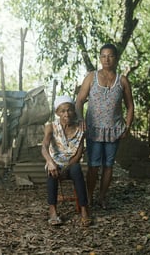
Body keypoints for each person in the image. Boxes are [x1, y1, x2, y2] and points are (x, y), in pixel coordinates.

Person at [75, 43, 134, 209]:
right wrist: (80, 120)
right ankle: (89, 197)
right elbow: (79, 101)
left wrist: (127, 127)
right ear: (100, 58)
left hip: (113, 130)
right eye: (103, 56)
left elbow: (130, 106)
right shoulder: (91, 77)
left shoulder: (122, 80)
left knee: (108, 165)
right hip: (93, 130)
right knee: (93, 166)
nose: (106, 59)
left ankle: (102, 197)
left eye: (110, 56)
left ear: (116, 58)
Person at [41, 95, 91, 226]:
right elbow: (44, 147)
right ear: (57, 113)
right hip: (54, 165)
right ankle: (53, 211)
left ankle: (84, 210)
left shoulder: (81, 128)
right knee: (51, 173)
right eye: (62, 111)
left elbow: (78, 155)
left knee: (76, 169)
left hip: (71, 165)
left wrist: (66, 168)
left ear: (74, 111)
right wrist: (51, 163)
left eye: (69, 110)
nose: (66, 114)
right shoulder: (50, 127)